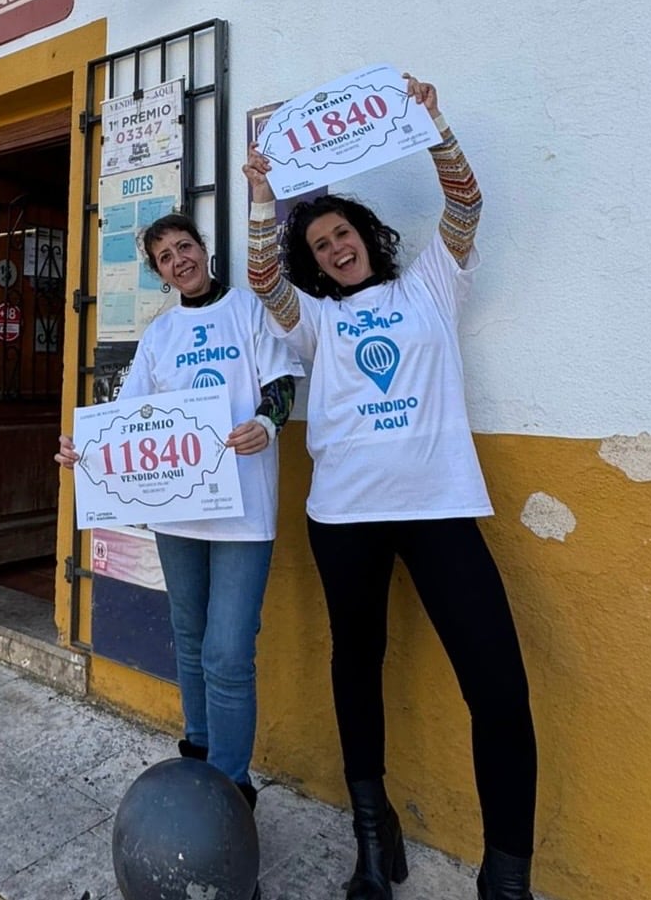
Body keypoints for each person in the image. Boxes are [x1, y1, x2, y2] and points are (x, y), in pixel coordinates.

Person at [242, 75, 537, 900]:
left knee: (499, 688)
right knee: (357, 668)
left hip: (441, 510)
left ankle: (507, 876)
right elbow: (265, 279)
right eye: (321, 246)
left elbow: (467, 203)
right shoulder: (316, 320)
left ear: (368, 234)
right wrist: (263, 196)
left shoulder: (433, 283)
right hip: (343, 519)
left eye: (343, 233)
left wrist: (433, 123)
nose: (335, 248)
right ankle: (375, 841)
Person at [56, 213, 301, 818]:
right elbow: (128, 416)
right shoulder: (160, 334)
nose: (178, 260)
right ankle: (198, 754)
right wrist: (85, 452)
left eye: (184, 246)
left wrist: (268, 423)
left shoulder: (247, 308)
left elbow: (283, 385)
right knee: (190, 640)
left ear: (203, 248)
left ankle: (231, 788)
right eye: (164, 256)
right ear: (159, 273)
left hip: (243, 513)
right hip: (178, 514)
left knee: (227, 651)